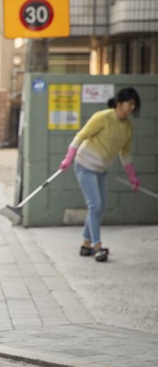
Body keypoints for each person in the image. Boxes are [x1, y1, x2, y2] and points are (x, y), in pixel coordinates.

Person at [58, 87, 141, 263]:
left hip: (101, 169)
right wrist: (68, 158)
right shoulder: (102, 117)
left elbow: (125, 154)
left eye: (134, 104)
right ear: (119, 103)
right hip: (85, 165)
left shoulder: (128, 127)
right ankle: (97, 246)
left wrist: (132, 176)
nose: (132, 107)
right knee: (95, 206)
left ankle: (86, 243)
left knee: (101, 208)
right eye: (129, 103)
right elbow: (81, 136)